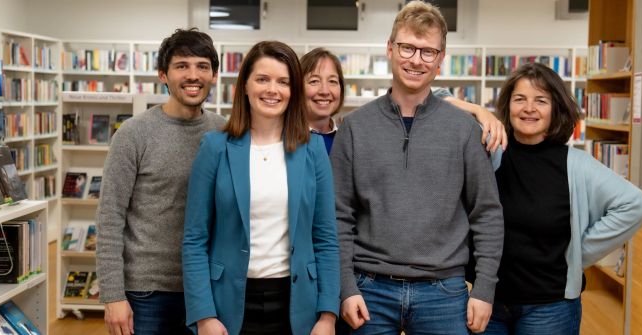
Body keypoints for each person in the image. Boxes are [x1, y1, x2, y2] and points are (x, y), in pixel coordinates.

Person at [330, 1, 505, 334]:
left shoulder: (465, 130)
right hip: (369, 291)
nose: (415, 59)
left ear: (440, 59)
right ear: (390, 49)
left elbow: (487, 214)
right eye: (408, 47)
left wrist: (484, 289)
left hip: (444, 292)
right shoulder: (354, 127)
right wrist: (346, 287)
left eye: (428, 52)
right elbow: (339, 215)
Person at [182, 40, 340, 335]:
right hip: (227, 305)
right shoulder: (215, 148)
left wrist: (328, 315)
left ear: (293, 91)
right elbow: (194, 239)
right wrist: (204, 315)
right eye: (263, 79)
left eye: (283, 82)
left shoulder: (313, 149)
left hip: (297, 304)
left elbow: (326, 238)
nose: (272, 90)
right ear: (245, 85)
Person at [483, 62, 642, 335]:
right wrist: (480, 111)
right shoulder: (489, 153)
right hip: (487, 303)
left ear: (555, 109)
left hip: (549, 309)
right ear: (507, 105)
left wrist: (578, 254)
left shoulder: (576, 164)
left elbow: (636, 205)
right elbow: (437, 102)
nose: (529, 108)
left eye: (541, 101)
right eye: (519, 99)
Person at [96, 28, 226, 335]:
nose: (193, 75)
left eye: (202, 66)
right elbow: (109, 216)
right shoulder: (133, 133)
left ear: (215, 75)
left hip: (207, 288)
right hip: (146, 293)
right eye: (182, 66)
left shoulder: (224, 132)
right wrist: (113, 295)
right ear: (163, 75)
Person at [300, 48, 507, 154]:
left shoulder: (347, 134)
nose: (324, 91)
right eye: (314, 81)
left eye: (333, 81)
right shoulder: (286, 139)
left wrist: (478, 110)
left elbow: (429, 99)